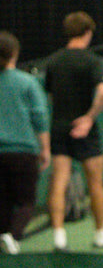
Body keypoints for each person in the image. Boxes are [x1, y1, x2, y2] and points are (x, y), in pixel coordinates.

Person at [43, 12, 103, 252]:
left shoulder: (53, 62)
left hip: (59, 128)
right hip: (85, 130)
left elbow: (50, 95)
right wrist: (88, 118)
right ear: (87, 32)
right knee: (95, 182)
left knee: (58, 181)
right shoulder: (92, 61)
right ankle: (100, 235)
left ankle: (59, 238)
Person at [0, 31, 50, 254]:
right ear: (15, 54)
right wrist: (45, 148)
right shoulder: (27, 82)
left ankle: (6, 241)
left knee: (3, 202)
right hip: (23, 152)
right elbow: (39, 117)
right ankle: (12, 237)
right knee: (27, 201)